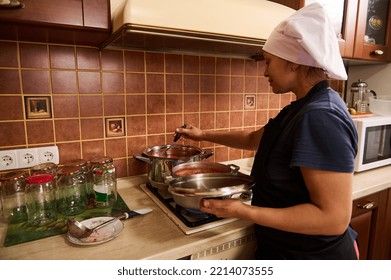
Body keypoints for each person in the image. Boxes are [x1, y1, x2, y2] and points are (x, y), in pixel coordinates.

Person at [175, 3, 359, 260]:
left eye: (269, 62)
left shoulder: (320, 116)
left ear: (294, 63)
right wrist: (203, 134)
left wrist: (243, 211)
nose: (264, 71)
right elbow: (254, 139)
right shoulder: (301, 108)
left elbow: (333, 219)